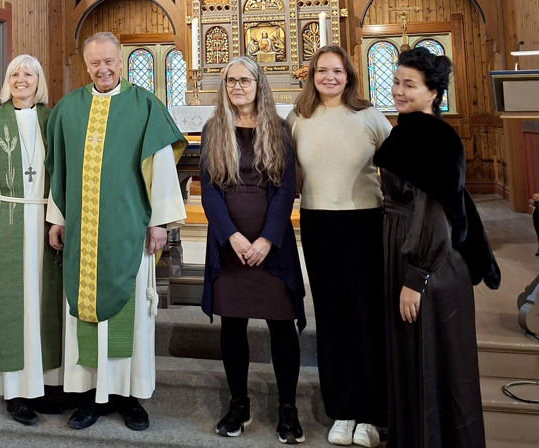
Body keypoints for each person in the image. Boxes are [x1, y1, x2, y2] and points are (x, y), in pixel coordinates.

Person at [45, 31, 187, 431]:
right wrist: (57, 217)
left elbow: (160, 164)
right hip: (82, 235)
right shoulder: (69, 108)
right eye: (95, 63)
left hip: (131, 232)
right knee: (85, 314)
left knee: (131, 315)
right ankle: (90, 395)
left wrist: (159, 221)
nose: (103, 69)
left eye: (110, 61)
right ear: (85, 64)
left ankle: (128, 397)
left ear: (121, 60)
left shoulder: (144, 105)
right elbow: (60, 170)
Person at [373, 47, 500, 448]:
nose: (398, 90)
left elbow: (435, 214)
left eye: (409, 85)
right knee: (414, 360)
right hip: (409, 249)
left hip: (430, 263)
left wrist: (415, 277)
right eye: (396, 82)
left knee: (430, 361)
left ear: (434, 93)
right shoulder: (410, 129)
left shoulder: (433, 138)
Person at [286, 45, 391, 447]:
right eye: (322, 71)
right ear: (312, 75)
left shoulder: (368, 116)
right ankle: (342, 410)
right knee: (330, 316)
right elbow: (289, 172)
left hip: (364, 222)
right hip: (318, 222)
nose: (330, 77)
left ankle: (370, 413)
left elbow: (397, 167)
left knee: (366, 314)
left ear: (349, 76)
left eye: (338, 71)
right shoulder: (299, 117)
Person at [199, 56, 306, 444]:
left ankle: (288, 410)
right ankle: (239, 405)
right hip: (230, 245)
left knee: (281, 325)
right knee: (233, 325)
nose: (238, 87)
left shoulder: (278, 129)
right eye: (231, 81)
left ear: (259, 84)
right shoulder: (214, 130)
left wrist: (265, 240)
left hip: (271, 244)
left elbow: (285, 190)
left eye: (245, 80)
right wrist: (232, 237)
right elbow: (209, 190)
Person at [0, 54, 64, 426]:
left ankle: (45, 385)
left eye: (29, 73)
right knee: (13, 306)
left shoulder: (52, 120)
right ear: (8, 81)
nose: (22, 79)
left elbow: (62, 174)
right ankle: (16, 392)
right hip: (4, 220)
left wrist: (61, 218)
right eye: (15, 74)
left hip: (46, 221)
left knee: (43, 304)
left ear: (39, 81)